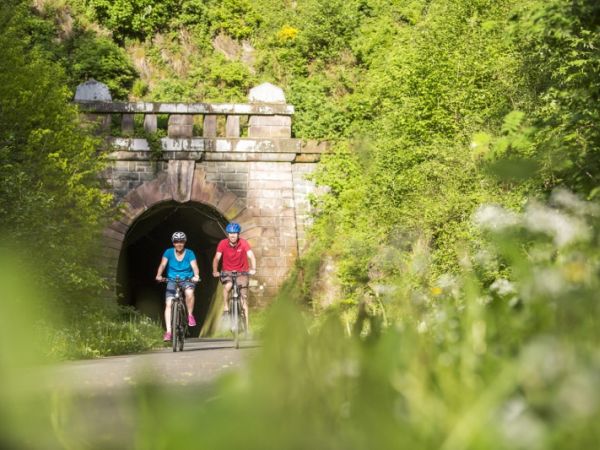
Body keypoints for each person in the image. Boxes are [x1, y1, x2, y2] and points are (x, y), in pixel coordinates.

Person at [155, 231, 200, 341]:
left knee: (189, 293)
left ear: (184, 242)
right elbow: (163, 264)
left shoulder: (189, 253)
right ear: (173, 243)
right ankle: (169, 332)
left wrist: (196, 275)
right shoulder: (168, 252)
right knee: (169, 304)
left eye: (181, 241)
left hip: (187, 279)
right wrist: (159, 275)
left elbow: (194, 266)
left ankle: (189, 315)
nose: (179, 244)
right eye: (176, 241)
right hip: (172, 280)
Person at [212, 222, 256, 331]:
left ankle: (246, 327)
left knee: (244, 299)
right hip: (227, 272)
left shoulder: (244, 243)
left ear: (238, 234)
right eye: (230, 233)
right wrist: (215, 271)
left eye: (235, 233)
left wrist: (253, 268)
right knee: (228, 286)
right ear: (228, 234)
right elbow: (217, 258)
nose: (232, 235)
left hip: (242, 272)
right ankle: (226, 307)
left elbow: (251, 256)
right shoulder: (222, 243)